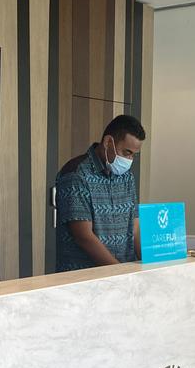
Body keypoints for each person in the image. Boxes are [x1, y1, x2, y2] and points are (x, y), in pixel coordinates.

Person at [54, 115, 145, 272]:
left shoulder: (126, 176)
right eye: (127, 152)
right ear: (108, 142)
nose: (129, 159)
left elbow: (135, 227)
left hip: (124, 278)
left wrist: (149, 266)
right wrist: (119, 272)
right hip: (84, 278)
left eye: (133, 155)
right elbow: (84, 236)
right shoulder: (76, 174)